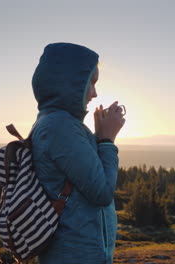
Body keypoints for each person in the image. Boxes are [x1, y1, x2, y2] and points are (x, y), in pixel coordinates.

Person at [30, 42, 125, 264]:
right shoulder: (59, 126)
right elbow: (101, 193)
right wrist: (108, 140)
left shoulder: (60, 123)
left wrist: (99, 136)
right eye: (89, 83)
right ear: (69, 82)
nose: (94, 93)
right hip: (74, 254)